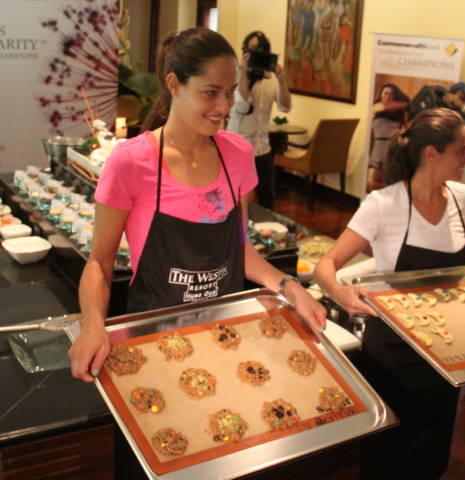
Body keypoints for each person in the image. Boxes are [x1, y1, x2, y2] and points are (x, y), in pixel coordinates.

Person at [67, 28, 325, 477]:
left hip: (223, 338)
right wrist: (93, 325)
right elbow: (100, 264)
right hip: (152, 341)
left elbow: (238, 248)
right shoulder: (131, 162)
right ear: (174, 84)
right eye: (210, 92)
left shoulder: (237, 153)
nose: (223, 106)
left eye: (229, 92)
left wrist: (289, 286)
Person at [314, 108, 465, 480]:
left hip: (447, 341)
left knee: (434, 435)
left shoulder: (462, 196)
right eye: (462, 150)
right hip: (393, 347)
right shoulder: (384, 204)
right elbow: (327, 263)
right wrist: (339, 291)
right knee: (392, 445)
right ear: (431, 153)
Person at [227, 31, 292, 209]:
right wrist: (244, 74)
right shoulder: (235, 75)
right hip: (238, 146)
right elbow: (242, 107)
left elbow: (285, 107)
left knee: (267, 198)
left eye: (259, 50)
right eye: (250, 50)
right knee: (236, 199)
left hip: (262, 146)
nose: (254, 54)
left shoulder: (271, 79)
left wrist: (282, 80)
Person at [368, 82, 409, 191]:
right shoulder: (376, 107)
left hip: (394, 150)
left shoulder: (400, 113)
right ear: (381, 94)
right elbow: (383, 106)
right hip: (379, 151)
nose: (388, 96)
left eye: (391, 94)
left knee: (391, 185)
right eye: (385, 93)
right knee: (375, 183)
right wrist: (407, 105)